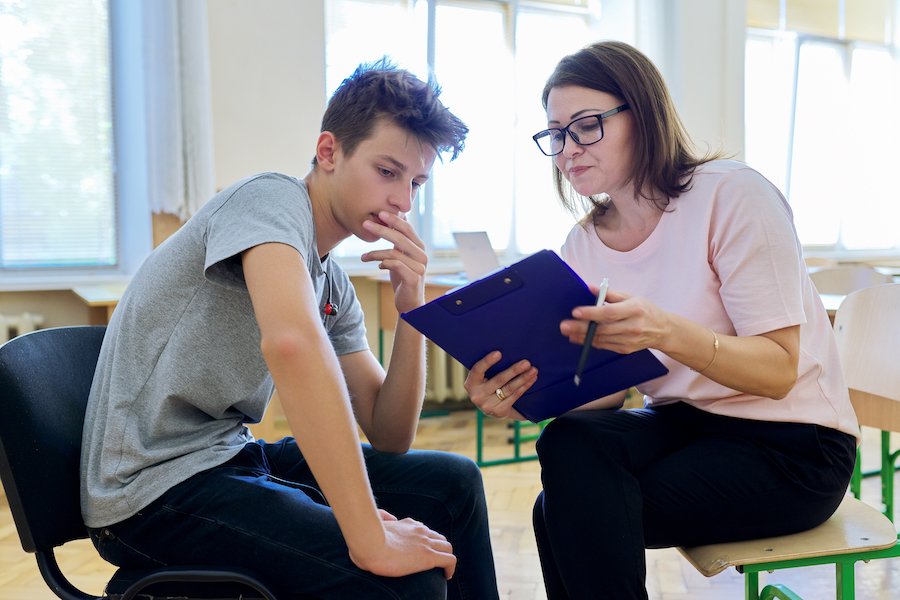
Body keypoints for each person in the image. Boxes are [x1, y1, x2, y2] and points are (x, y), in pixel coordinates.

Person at [80, 59, 500, 600]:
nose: (404, 200)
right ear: (329, 152)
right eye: (387, 171)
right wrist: (369, 537)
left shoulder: (330, 283)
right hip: (150, 491)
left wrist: (410, 305)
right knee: (408, 583)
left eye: (416, 182)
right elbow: (291, 344)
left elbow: (390, 433)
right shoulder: (269, 199)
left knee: (454, 484)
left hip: (229, 458)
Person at [463, 41, 859, 599]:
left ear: (642, 114)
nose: (567, 149)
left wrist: (664, 330)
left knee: (563, 510)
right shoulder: (582, 245)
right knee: (569, 441)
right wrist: (524, 395)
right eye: (555, 134)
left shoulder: (732, 195)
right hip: (686, 425)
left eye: (586, 126)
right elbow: (602, 392)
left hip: (794, 446)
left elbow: (777, 373)